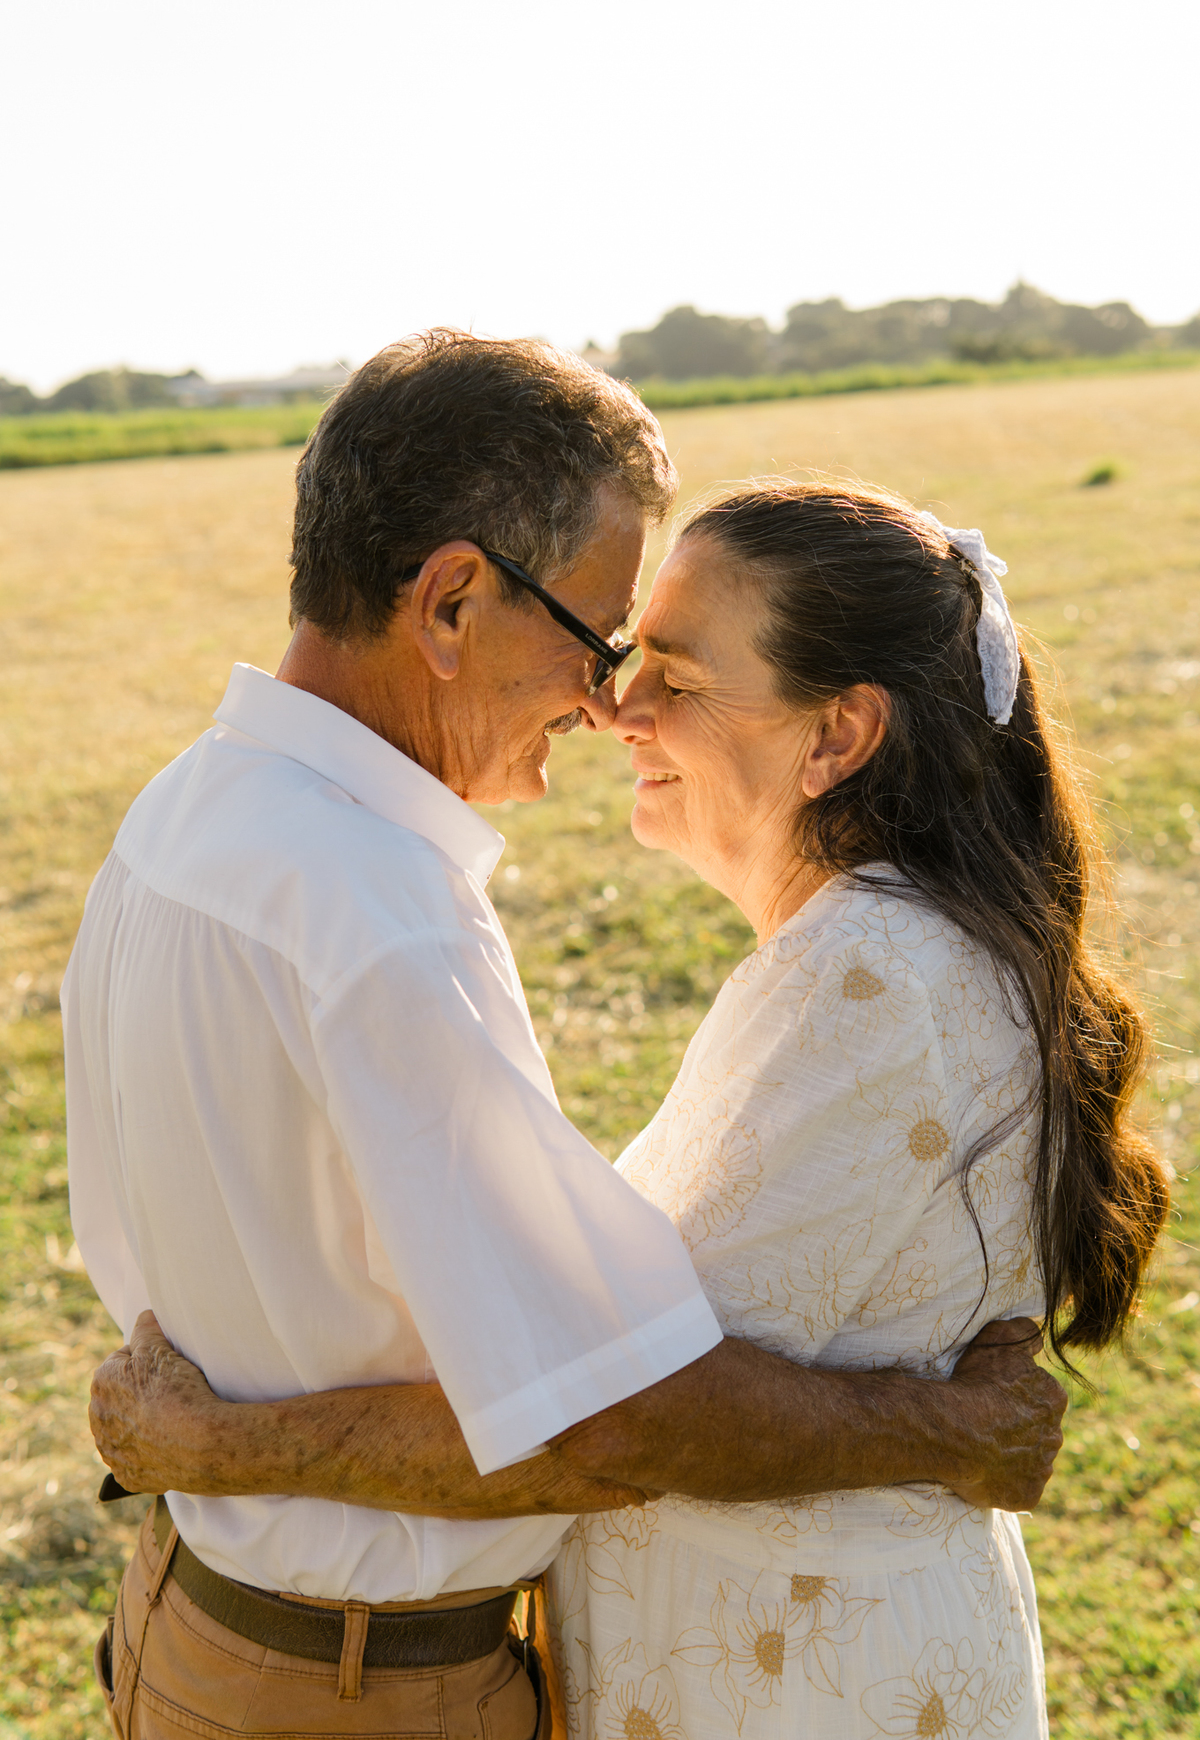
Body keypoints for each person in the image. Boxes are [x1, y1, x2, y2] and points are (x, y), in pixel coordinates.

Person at [73, 339, 1067, 1740]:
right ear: (453, 601)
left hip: (202, 1619)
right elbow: (606, 1415)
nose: (609, 703)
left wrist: (210, 1452)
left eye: (655, 662)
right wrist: (954, 1430)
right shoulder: (380, 914)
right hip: (359, 1686)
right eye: (604, 640)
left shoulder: (182, 819)